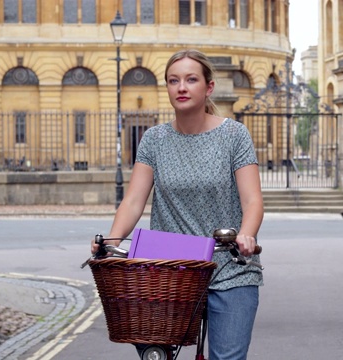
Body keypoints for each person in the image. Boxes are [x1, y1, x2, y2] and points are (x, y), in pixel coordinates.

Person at [91, 49, 264, 360]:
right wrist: (112, 242)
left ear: (208, 87)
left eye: (191, 79)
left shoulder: (234, 135)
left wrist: (246, 235)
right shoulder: (154, 140)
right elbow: (132, 201)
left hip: (230, 265)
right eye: (173, 81)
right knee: (153, 353)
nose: (181, 87)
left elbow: (252, 200)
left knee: (228, 358)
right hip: (172, 270)